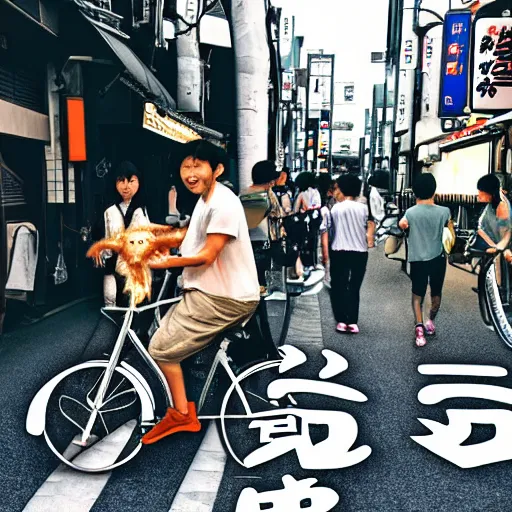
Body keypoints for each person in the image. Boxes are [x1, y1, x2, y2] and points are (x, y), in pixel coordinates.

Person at [141, 140, 260, 444]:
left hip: (222, 297)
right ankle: (183, 405)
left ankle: (182, 414)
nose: (190, 173)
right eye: (186, 166)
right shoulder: (206, 199)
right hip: (212, 291)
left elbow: (207, 254)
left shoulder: (223, 203)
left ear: (217, 169)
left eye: (198, 166)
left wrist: (168, 261)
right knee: (164, 334)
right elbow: (191, 238)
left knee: (159, 347)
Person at [399, 173, 452, 347]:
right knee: (436, 293)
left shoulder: (410, 212)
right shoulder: (445, 212)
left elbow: (402, 225)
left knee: (417, 294)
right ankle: (430, 321)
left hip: (417, 260)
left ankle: (419, 328)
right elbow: (451, 236)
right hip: (438, 259)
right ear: (434, 190)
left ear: (415, 192)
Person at [95, 161, 150, 306]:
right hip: (116, 264)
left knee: (135, 303)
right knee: (113, 300)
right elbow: (106, 238)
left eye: (131, 181)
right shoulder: (110, 211)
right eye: (121, 181)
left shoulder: (143, 210)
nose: (126, 186)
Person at [328, 174, 374, 334]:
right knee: (354, 287)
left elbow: (331, 231)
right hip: (360, 252)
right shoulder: (363, 208)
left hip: (339, 250)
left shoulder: (336, 208)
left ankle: (341, 320)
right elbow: (369, 225)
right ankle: (352, 321)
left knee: (338, 286)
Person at [240, 160, 285, 295]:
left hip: (256, 242)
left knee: (257, 282)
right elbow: (251, 222)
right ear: (268, 179)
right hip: (257, 243)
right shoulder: (257, 196)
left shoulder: (251, 192)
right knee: (257, 284)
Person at [474, 173, 512, 262]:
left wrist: (499, 248)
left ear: (490, 193)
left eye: (481, 192)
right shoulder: (492, 204)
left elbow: (505, 234)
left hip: (496, 246)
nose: (479, 195)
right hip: (487, 241)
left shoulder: (502, 206)